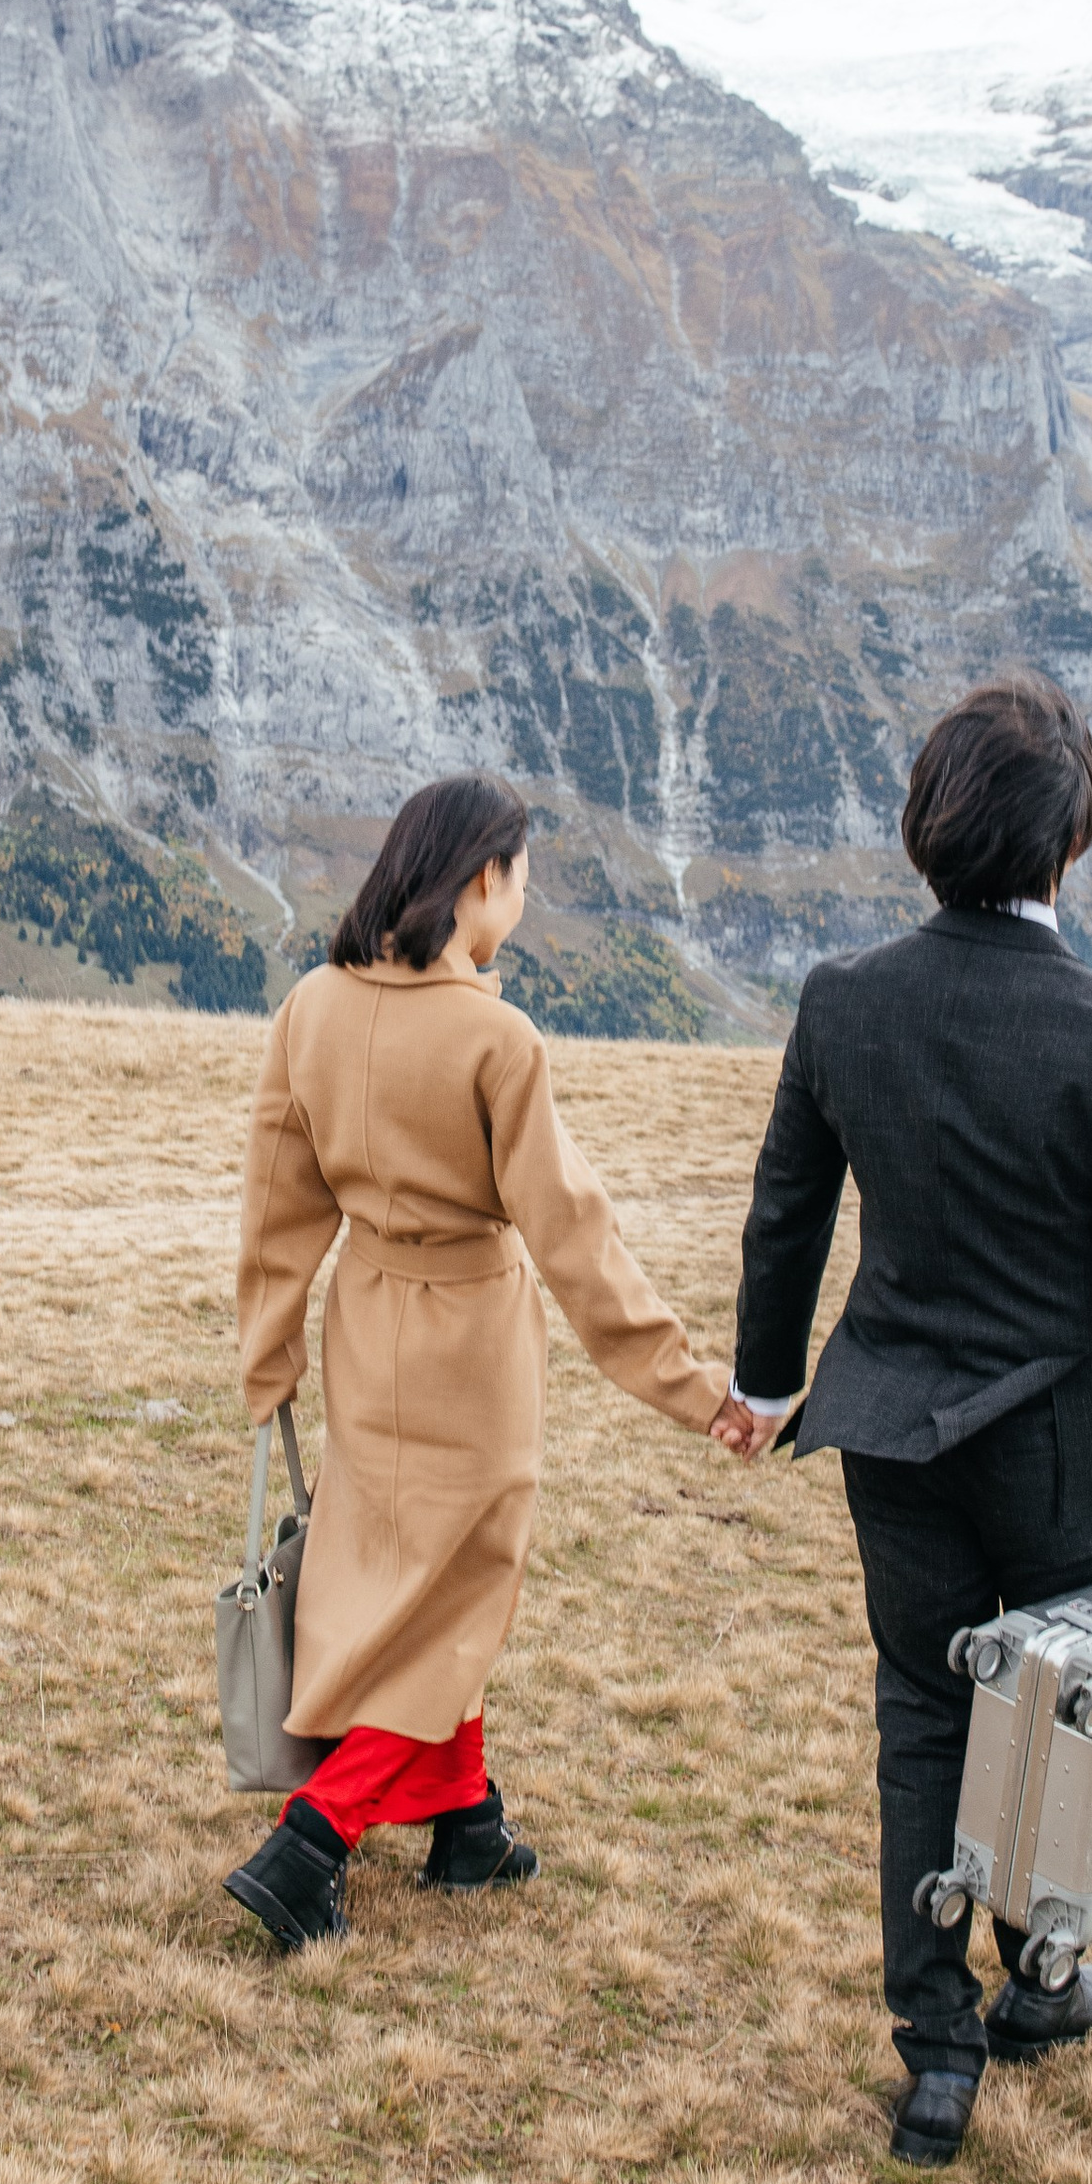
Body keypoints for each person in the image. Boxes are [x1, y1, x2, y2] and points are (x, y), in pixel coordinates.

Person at [725, 675, 1092, 2168]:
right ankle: (1043, 1983)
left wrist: (766, 1386)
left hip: (888, 1432)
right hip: (1066, 1452)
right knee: (1067, 1724)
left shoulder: (843, 999)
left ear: (926, 827)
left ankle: (935, 2053)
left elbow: (786, 1216)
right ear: (1068, 842)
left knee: (923, 1719)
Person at [226, 772, 756, 1948]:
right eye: (519, 877)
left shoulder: (311, 1006)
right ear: (480, 880)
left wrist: (269, 1360)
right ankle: (313, 1837)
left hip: (366, 1318)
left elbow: (277, 1201)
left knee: (399, 1570)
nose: (521, 897)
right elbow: (573, 1238)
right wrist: (692, 1389)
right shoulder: (495, 1038)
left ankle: (468, 1821)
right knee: (460, 1589)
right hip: (470, 1337)